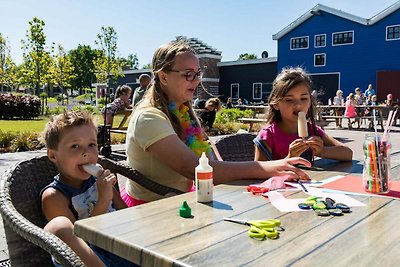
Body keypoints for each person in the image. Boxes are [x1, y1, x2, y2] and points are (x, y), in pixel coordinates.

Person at [122, 40, 311, 207]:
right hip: (151, 212)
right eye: (188, 74)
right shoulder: (148, 118)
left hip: (182, 202)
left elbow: (212, 161)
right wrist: (270, 167)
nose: (196, 80)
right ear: (163, 77)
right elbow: (194, 168)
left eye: (198, 74)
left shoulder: (182, 112)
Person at [40, 111, 133, 267]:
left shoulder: (99, 180)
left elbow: (126, 215)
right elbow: (79, 245)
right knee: (59, 225)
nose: (86, 153)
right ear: (53, 156)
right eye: (75, 146)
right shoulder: (54, 196)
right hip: (91, 258)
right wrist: (103, 200)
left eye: (92, 145)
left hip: (119, 249)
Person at [254, 67, 352, 162]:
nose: (298, 105)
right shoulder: (268, 135)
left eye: (304, 98)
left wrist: (322, 151)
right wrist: (289, 158)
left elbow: (347, 153)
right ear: (276, 104)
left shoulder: (312, 130)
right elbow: (258, 171)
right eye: (289, 100)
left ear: (310, 101)